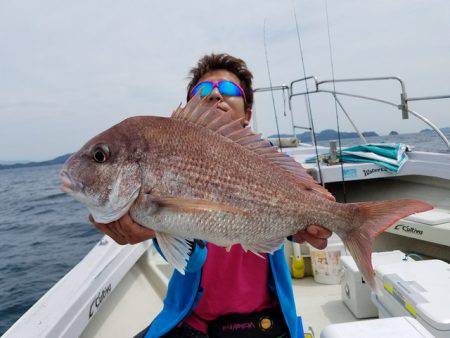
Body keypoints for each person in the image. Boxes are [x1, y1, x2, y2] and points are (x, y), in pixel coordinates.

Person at [90, 53, 332, 338]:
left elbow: (286, 228)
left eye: (229, 89)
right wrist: (152, 228)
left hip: (267, 324)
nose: (215, 94)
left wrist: (311, 226)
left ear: (248, 113)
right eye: (203, 90)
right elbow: (189, 262)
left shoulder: (273, 167)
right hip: (192, 324)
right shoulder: (166, 161)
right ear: (191, 106)